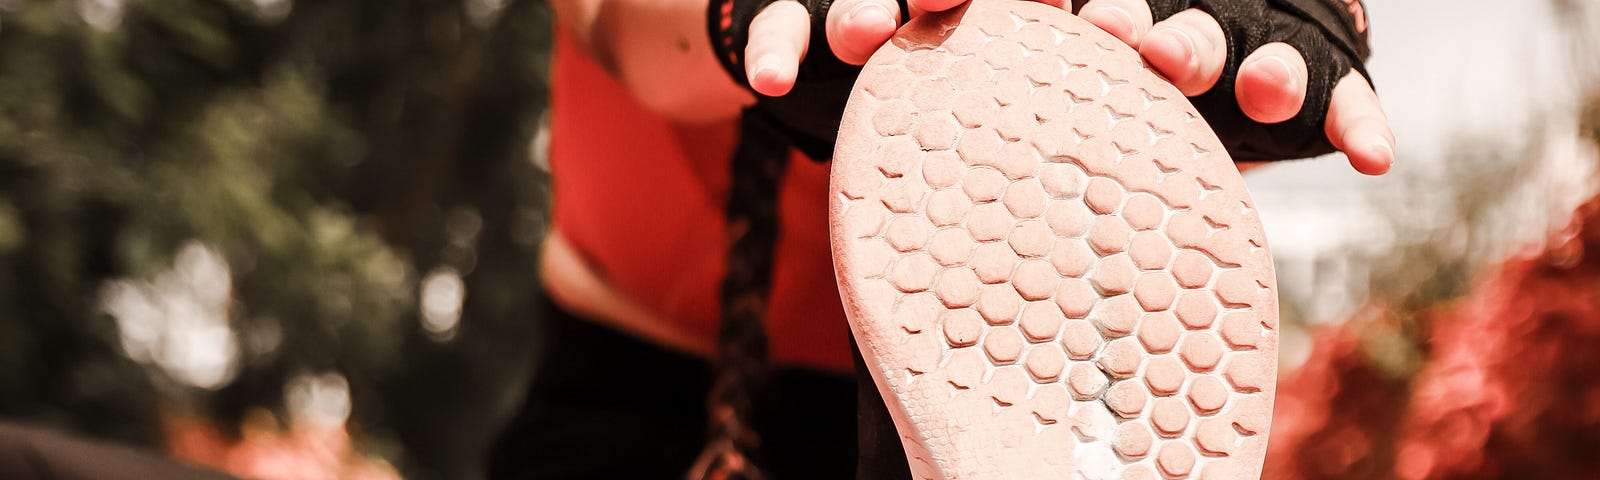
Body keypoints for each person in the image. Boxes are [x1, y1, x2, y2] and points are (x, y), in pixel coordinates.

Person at [486, 0, 1394, 478]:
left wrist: (1210, 61)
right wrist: (737, 18)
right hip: (643, 390)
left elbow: (1149, 174)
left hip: (1020, 388)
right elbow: (619, 21)